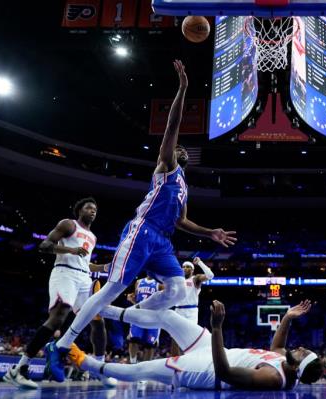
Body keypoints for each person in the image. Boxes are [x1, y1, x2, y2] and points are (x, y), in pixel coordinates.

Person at [45, 60, 237, 382]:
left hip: (162, 239)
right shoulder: (166, 166)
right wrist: (183, 90)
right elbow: (173, 125)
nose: (181, 150)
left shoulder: (183, 188)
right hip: (141, 232)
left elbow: (182, 222)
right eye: (178, 148)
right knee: (112, 289)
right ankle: (62, 346)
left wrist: (210, 233)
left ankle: (121, 312)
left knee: (177, 290)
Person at [68, 300, 324, 390]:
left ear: (299, 366)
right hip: (216, 351)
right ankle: (103, 310)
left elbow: (226, 373)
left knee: (141, 370)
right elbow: (277, 346)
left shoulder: (273, 378)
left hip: (205, 370)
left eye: (303, 353)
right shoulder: (284, 362)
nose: (300, 348)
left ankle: (85, 362)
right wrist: (288, 318)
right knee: (167, 316)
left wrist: (216, 328)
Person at [3, 198, 115, 389]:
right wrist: (70, 249)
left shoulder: (93, 237)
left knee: (98, 320)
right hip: (64, 273)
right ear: (79, 210)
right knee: (58, 317)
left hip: (84, 278)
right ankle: (19, 368)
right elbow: (45, 246)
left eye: (95, 209)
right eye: (89, 208)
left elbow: (85, 263)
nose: (93, 211)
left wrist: (105, 267)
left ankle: (100, 368)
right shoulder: (68, 224)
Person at [171, 257, 215, 355]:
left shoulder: (195, 279)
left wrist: (200, 262)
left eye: (188, 267)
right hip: (178, 310)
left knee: (190, 337)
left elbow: (210, 275)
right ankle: (174, 362)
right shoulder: (177, 280)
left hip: (191, 311)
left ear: (192, 270)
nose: (185, 268)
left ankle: (189, 360)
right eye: (183, 267)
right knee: (175, 337)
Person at [126, 276, 161, 365]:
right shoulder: (138, 282)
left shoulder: (160, 284)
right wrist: (132, 299)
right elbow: (137, 300)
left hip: (153, 316)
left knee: (150, 345)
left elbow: (165, 300)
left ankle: (144, 371)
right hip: (139, 314)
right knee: (133, 340)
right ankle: (133, 365)